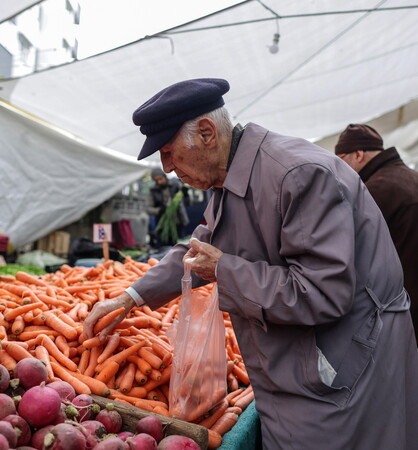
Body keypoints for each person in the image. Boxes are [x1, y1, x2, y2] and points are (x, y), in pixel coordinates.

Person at [83, 78, 418, 449]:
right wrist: (129, 297)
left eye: (167, 151)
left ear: (207, 132)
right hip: (293, 362)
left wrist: (225, 270)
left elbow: (323, 292)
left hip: (342, 362)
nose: (167, 168)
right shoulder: (229, 180)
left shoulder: (298, 174)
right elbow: (199, 247)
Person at [335, 123, 418, 343]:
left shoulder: (374, 191)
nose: (340, 168)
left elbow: (352, 253)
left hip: (403, 308)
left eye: (341, 159)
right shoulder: (412, 176)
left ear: (358, 154)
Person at [146, 167, 189, 248]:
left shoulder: (176, 185)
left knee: (179, 246)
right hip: (162, 225)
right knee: (163, 246)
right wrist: (159, 210)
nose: (159, 182)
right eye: (156, 180)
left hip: (178, 222)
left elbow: (188, 203)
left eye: (160, 179)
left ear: (164, 176)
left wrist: (186, 194)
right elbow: (148, 209)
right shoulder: (153, 190)